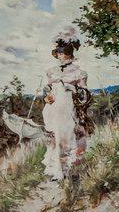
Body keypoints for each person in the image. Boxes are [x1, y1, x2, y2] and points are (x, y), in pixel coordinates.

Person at [39, 28, 91, 183]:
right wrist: (46, 96)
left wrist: (74, 90)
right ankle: (56, 169)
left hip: (69, 107)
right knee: (55, 137)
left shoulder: (79, 72)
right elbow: (47, 88)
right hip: (53, 107)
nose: (60, 56)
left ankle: (67, 169)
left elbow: (85, 93)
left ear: (70, 54)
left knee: (66, 136)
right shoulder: (51, 71)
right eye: (58, 53)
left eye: (63, 53)